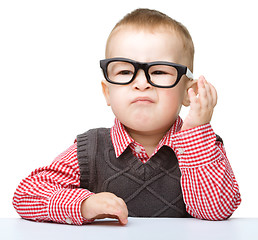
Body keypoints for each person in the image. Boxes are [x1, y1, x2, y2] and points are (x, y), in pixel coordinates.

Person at [13, 8, 241, 225]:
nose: (141, 84)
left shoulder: (203, 147)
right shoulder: (91, 149)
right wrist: (82, 205)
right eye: (125, 72)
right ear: (107, 92)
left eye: (159, 71)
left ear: (188, 92)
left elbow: (215, 211)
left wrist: (196, 132)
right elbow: (26, 195)